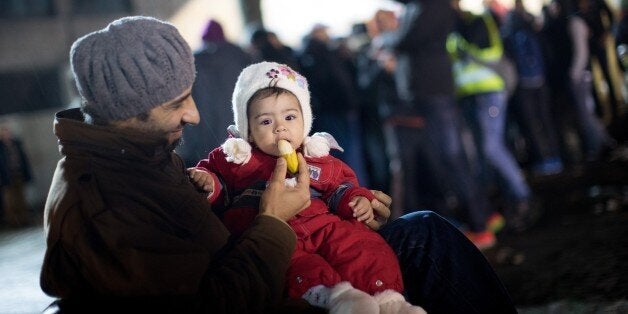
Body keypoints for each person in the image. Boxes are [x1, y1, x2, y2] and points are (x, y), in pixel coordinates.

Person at [40, 16, 517, 314]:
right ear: (129, 108)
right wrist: (273, 220)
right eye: (176, 104)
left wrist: (353, 203)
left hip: (278, 254)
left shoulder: (136, 151)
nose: (195, 115)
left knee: (424, 231)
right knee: (425, 246)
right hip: (277, 282)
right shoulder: (101, 203)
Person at [189, 61, 424, 314]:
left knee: (362, 245)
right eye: (266, 122)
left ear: (305, 120)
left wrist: (358, 201)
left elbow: (340, 187)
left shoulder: (317, 158)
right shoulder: (237, 159)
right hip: (276, 235)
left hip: (324, 225)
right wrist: (207, 182)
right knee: (298, 266)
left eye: (290, 117)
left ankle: (388, 299)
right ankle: (338, 298)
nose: (280, 127)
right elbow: (218, 183)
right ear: (248, 130)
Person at [373, 0, 497, 249]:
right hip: (429, 93)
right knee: (449, 158)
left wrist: (387, 40)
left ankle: (480, 225)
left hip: (433, 92)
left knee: (451, 157)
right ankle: (482, 217)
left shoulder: (431, 5)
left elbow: (408, 39)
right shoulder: (420, 6)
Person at [448, 1, 537, 233]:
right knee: (484, 153)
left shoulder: (478, 21)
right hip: (470, 98)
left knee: (491, 148)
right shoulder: (452, 29)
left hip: (488, 93)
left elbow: (486, 50)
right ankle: (509, 200)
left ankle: (523, 195)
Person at [177, 19, 252, 167]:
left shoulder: (194, 60)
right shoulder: (238, 55)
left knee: (211, 161)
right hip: (235, 115)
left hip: (205, 118)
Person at [0, 125, 33, 227]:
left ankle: (24, 220)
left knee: (21, 199)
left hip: (19, 174)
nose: (6, 134)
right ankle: (13, 222)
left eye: (7, 131)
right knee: (10, 202)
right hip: (6, 177)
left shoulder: (16, 144)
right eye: (4, 132)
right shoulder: (1, 147)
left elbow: (23, 159)